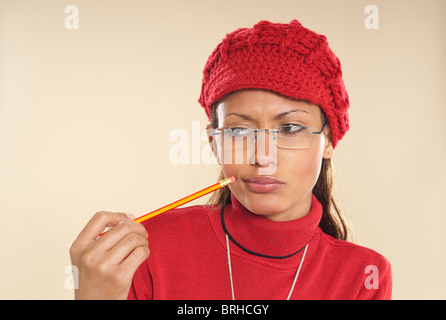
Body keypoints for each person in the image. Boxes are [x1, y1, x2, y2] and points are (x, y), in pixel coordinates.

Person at [70, 19, 392, 300]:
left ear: (328, 141)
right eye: (239, 131)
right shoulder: (145, 252)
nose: (263, 157)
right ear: (214, 143)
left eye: (290, 128)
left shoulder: (364, 276)